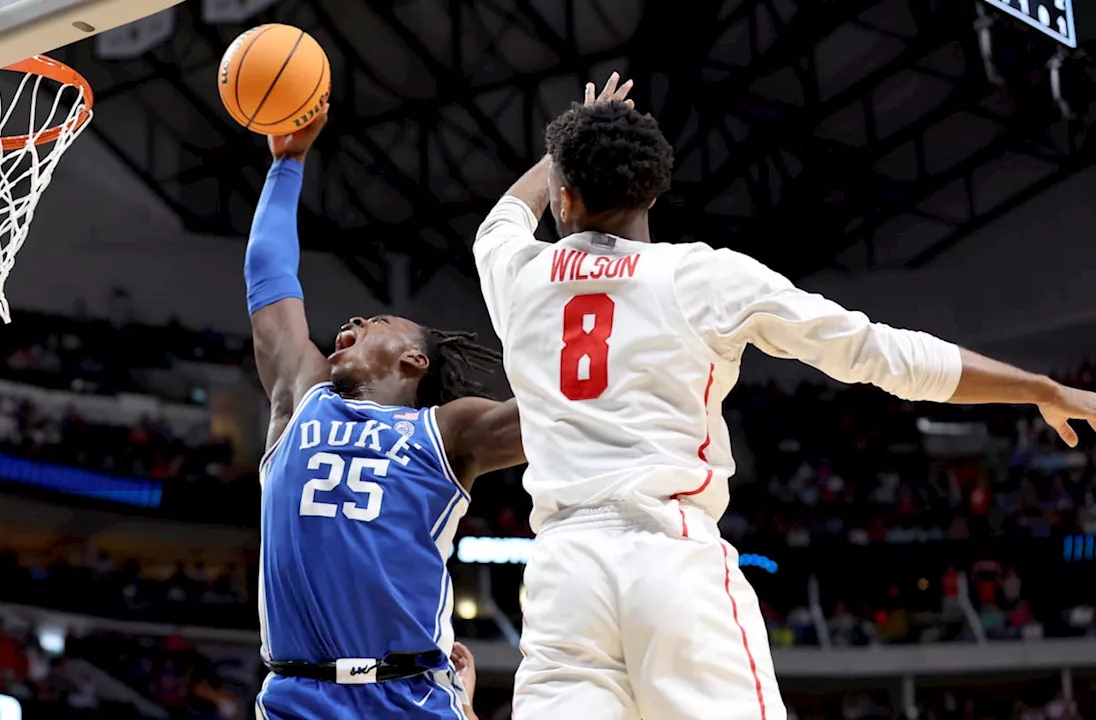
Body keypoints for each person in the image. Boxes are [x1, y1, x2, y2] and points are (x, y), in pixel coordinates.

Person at [472, 73, 1096, 720]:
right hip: (668, 557)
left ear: (564, 198)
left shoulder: (517, 274)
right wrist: (1039, 387)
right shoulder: (705, 275)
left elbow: (505, 219)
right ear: (654, 189)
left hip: (562, 579)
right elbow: (885, 355)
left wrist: (564, 149)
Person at [246, 106, 524, 720]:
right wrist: (286, 166)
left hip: (413, 695)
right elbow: (269, 278)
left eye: (375, 321)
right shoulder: (303, 396)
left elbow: (560, 410)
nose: (351, 323)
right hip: (297, 694)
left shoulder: (448, 430)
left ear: (414, 359)